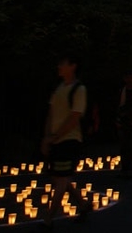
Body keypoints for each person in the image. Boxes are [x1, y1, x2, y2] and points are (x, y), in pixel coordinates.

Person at [40, 54, 91, 230]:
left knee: (61, 180)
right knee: (59, 178)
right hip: (56, 140)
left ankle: (48, 220)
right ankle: (83, 206)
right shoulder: (60, 88)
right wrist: (47, 137)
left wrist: (54, 137)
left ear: (73, 66)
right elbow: (51, 113)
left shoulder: (79, 89)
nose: (59, 66)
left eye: (63, 63)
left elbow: (74, 117)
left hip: (69, 141)